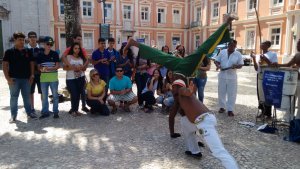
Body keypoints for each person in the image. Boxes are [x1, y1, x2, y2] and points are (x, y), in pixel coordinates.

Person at [170, 79, 239, 169]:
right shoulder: (179, 99)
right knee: (184, 122)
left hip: (204, 121)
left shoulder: (181, 90)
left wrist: (189, 90)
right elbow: (172, 116)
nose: (171, 89)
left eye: (172, 87)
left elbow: (186, 91)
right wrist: (172, 133)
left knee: (218, 151)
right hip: (203, 120)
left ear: (177, 86)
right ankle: (194, 151)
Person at [3, 32, 38, 123]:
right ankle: (13, 115)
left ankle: (29, 113)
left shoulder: (28, 51)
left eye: (23, 40)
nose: (22, 41)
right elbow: (5, 65)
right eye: (19, 40)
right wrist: (8, 78)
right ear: (15, 40)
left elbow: (31, 63)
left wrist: (32, 75)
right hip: (14, 79)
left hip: (26, 79)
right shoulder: (9, 52)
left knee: (26, 96)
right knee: (14, 97)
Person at [272, 39, 300, 119]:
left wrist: (297, 67)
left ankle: (298, 119)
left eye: (298, 44)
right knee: (291, 100)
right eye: (297, 44)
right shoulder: (297, 55)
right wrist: (278, 65)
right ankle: (289, 118)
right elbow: (288, 65)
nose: (296, 46)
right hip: (294, 81)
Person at [215, 40, 244, 116]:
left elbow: (241, 65)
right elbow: (216, 61)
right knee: (221, 92)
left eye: (234, 46)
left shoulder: (238, 54)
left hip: (232, 77)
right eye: (230, 45)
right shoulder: (222, 52)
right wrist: (218, 66)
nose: (232, 47)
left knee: (232, 93)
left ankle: (230, 109)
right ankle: (222, 107)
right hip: (222, 75)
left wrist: (236, 66)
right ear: (228, 45)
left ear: (235, 46)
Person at [62, 34, 89, 113]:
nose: (77, 49)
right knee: (74, 94)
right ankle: (73, 109)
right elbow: (64, 67)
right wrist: (71, 67)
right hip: (71, 79)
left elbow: (85, 66)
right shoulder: (68, 56)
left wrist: (82, 67)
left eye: (78, 48)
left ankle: (77, 109)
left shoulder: (81, 57)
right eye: (75, 48)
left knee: (80, 94)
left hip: (80, 78)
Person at [250, 41, 278, 119]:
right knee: (260, 94)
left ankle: (268, 114)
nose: (261, 44)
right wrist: (254, 59)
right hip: (260, 76)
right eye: (261, 43)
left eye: (264, 43)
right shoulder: (259, 55)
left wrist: (265, 59)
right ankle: (262, 111)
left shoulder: (273, 54)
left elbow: (274, 65)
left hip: (269, 76)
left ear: (268, 45)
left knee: (268, 94)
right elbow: (256, 68)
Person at [37, 36, 60, 119]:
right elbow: (38, 67)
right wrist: (42, 69)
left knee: (55, 96)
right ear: (44, 44)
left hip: (53, 78)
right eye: (48, 44)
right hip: (43, 79)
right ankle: (45, 112)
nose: (49, 45)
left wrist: (49, 69)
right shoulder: (40, 54)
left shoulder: (55, 54)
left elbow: (57, 66)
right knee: (44, 96)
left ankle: (56, 112)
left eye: (51, 44)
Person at [27, 31, 43, 112]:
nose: (32, 38)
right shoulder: (25, 50)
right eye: (31, 37)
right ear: (28, 38)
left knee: (42, 91)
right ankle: (32, 108)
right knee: (30, 92)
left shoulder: (41, 49)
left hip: (40, 74)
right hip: (29, 75)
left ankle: (44, 108)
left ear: (36, 38)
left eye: (34, 36)